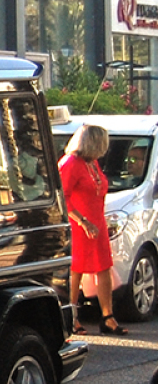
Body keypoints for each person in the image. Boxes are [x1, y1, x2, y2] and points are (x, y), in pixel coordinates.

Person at [60, 123, 126, 335]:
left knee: (104, 266)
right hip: (79, 224)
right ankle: (71, 317)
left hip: (97, 222)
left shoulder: (92, 163)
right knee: (75, 270)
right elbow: (63, 197)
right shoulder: (70, 163)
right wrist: (83, 221)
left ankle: (107, 316)